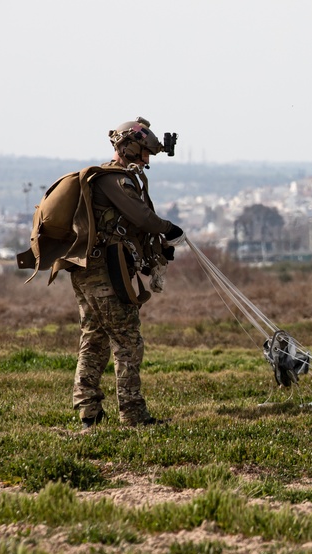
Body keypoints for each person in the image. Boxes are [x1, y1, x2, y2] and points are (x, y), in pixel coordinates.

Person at [70, 117, 185, 429]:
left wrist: (156, 253)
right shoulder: (115, 181)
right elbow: (142, 217)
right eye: (145, 153)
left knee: (94, 338)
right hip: (104, 272)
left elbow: (128, 229)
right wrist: (168, 228)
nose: (148, 160)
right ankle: (133, 415)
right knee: (127, 340)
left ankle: (88, 412)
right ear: (132, 149)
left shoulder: (112, 180)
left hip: (89, 270)